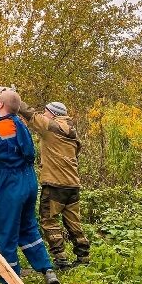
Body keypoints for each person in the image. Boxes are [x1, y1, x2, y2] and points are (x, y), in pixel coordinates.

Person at [0, 87, 60, 284]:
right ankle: (47, 270)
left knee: (5, 234)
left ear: (1, 105)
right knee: (28, 229)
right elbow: (0, 113)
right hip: (28, 182)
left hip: (9, 187)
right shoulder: (20, 123)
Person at [18, 100, 90, 270]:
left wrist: (13, 97)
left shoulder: (51, 127)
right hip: (73, 184)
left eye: (46, 112)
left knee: (49, 220)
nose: (44, 114)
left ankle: (60, 259)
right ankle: (83, 257)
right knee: (73, 222)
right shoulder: (72, 132)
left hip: (55, 183)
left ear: (53, 113)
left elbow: (30, 114)